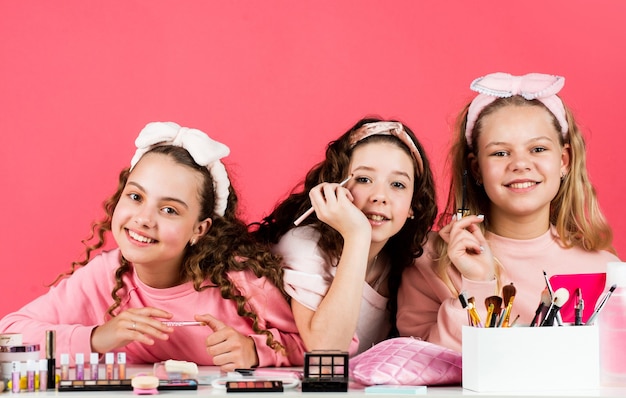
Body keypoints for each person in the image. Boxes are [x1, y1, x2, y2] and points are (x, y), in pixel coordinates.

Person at [0, 122, 305, 370]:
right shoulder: (105, 276)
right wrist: (95, 338)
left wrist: (256, 351)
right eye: (136, 197)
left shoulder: (239, 280)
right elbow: (8, 337)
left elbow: (327, 347)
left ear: (199, 229)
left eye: (169, 210)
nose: (144, 219)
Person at [397, 72, 620, 351]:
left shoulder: (603, 270)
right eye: (500, 153)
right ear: (476, 168)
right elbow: (419, 368)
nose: (520, 164)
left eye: (538, 149)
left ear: (564, 161)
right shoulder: (429, 261)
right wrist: (477, 284)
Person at [252, 117, 437, 355]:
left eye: (398, 185)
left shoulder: (404, 262)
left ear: (414, 205)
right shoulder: (305, 245)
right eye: (363, 179)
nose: (380, 196)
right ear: (337, 186)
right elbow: (326, 351)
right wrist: (357, 235)